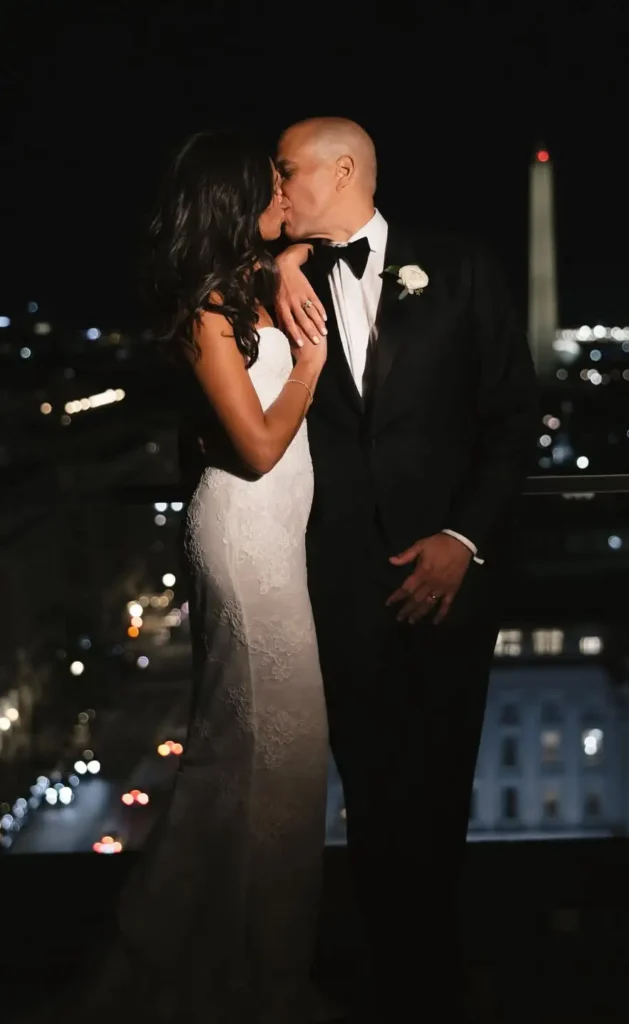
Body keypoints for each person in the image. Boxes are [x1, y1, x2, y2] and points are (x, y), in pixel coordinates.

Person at [22, 130, 331, 1024]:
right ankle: (242, 975)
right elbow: (261, 446)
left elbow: (301, 244)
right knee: (269, 752)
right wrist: (308, 361)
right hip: (245, 541)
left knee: (273, 761)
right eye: (271, 182)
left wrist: (287, 262)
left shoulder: (248, 283)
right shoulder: (204, 312)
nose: (284, 190)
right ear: (237, 198)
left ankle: (256, 963)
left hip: (278, 543)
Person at [273, 118, 538, 1024]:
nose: (277, 187)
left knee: (441, 782)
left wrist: (463, 540)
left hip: (452, 579)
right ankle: (400, 978)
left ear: (342, 171)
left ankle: (436, 972)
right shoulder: (276, 278)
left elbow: (512, 418)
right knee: (372, 793)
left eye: (288, 170)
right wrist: (277, 260)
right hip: (334, 583)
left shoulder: (462, 267)